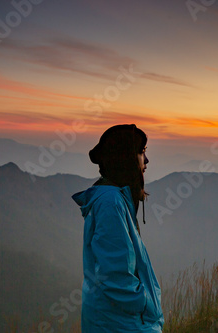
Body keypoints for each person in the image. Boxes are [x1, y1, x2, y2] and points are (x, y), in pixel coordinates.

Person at [72, 124, 164, 332]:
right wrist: (145, 304)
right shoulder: (110, 202)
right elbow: (115, 276)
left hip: (117, 321)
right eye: (142, 152)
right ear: (125, 158)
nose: (146, 161)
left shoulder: (114, 199)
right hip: (119, 324)